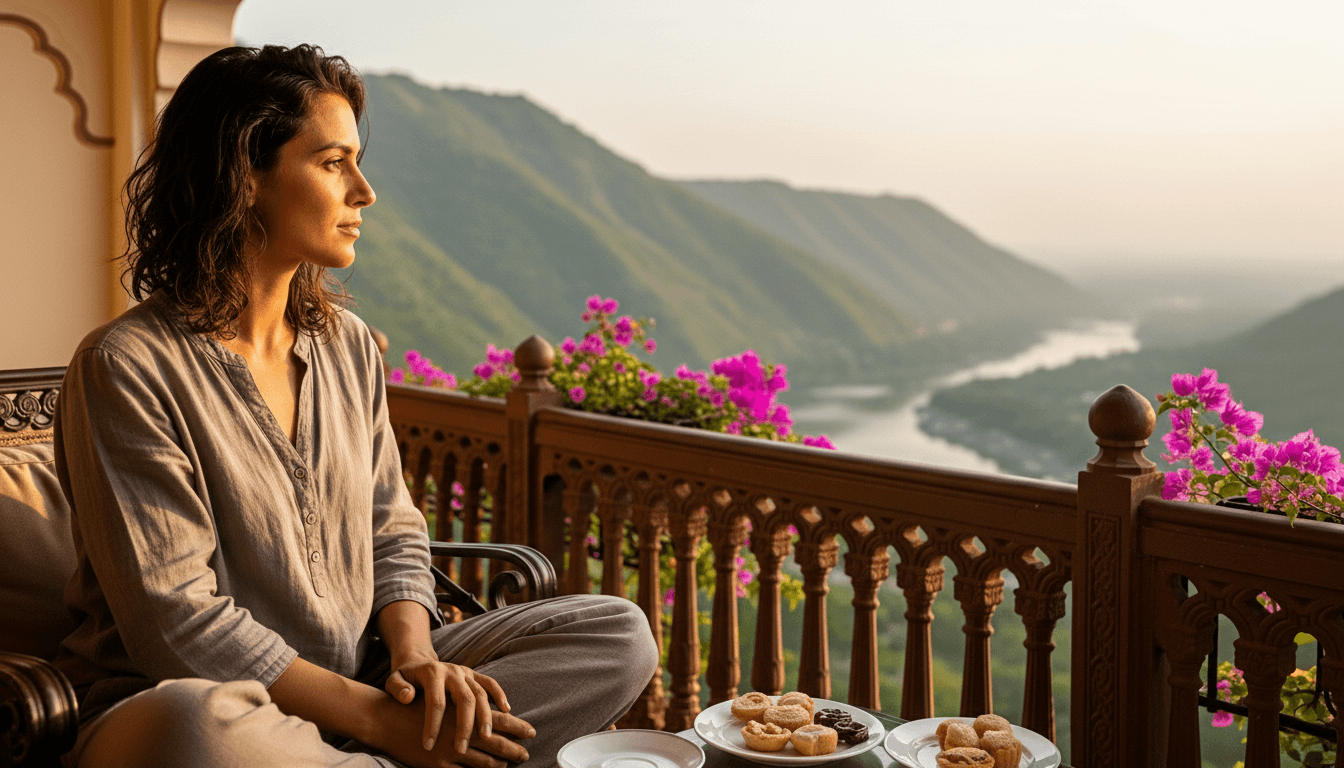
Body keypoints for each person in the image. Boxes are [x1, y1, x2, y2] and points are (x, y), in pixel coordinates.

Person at [52, 44, 658, 768]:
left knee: (617, 634)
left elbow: (392, 528)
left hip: (361, 675)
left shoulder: (346, 344)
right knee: (193, 728)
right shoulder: (125, 367)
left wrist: (414, 661)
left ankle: (375, 752)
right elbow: (178, 626)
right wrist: (380, 720)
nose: (363, 191)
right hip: (203, 699)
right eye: (333, 162)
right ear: (244, 176)